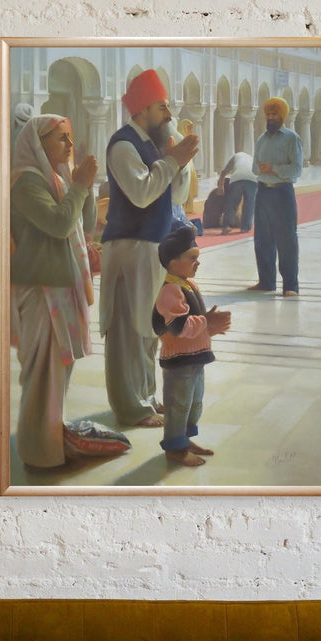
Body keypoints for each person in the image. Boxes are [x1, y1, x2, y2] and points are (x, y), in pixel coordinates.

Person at [9, 115, 129, 467]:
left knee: (58, 371)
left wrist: (83, 186)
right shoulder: (26, 182)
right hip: (41, 289)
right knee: (43, 373)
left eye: (70, 138)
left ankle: (50, 439)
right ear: (37, 143)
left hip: (60, 285)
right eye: (61, 138)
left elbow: (85, 223)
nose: (69, 145)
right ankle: (40, 453)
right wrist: (78, 187)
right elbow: (60, 224)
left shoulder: (56, 179)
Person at [99, 69, 200, 428]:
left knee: (149, 326)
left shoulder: (155, 144)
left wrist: (179, 163)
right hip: (128, 248)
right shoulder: (124, 145)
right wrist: (172, 161)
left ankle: (145, 397)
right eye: (161, 107)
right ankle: (129, 406)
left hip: (152, 247)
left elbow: (174, 194)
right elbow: (142, 194)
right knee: (127, 328)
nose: (169, 115)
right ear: (142, 109)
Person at [153, 226, 230, 468]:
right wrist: (207, 322)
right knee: (178, 404)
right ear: (173, 263)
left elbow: (194, 321)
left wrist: (210, 328)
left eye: (198, 258)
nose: (197, 263)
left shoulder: (187, 285)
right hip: (179, 360)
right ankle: (175, 448)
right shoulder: (170, 291)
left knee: (194, 402)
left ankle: (184, 440)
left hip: (194, 357)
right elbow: (178, 326)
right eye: (192, 259)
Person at [247, 97, 304, 297]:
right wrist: (262, 169)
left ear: (282, 117)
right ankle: (266, 282)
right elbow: (254, 167)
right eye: (268, 115)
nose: (270, 118)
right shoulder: (261, 139)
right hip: (263, 191)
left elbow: (296, 169)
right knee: (263, 238)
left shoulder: (291, 138)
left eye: (274, 115)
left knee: (286, 240)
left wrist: (274, 169)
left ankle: (290, 286)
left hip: (282, 192)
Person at [217, 149, 257, 233]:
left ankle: (226, 226)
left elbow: (224, 172)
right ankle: (245, 228)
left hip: (236, 178)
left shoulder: (236, 156)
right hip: (252, 178)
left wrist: (220, 186)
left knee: (231, 203)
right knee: (249, 204)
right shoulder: (252, 158)